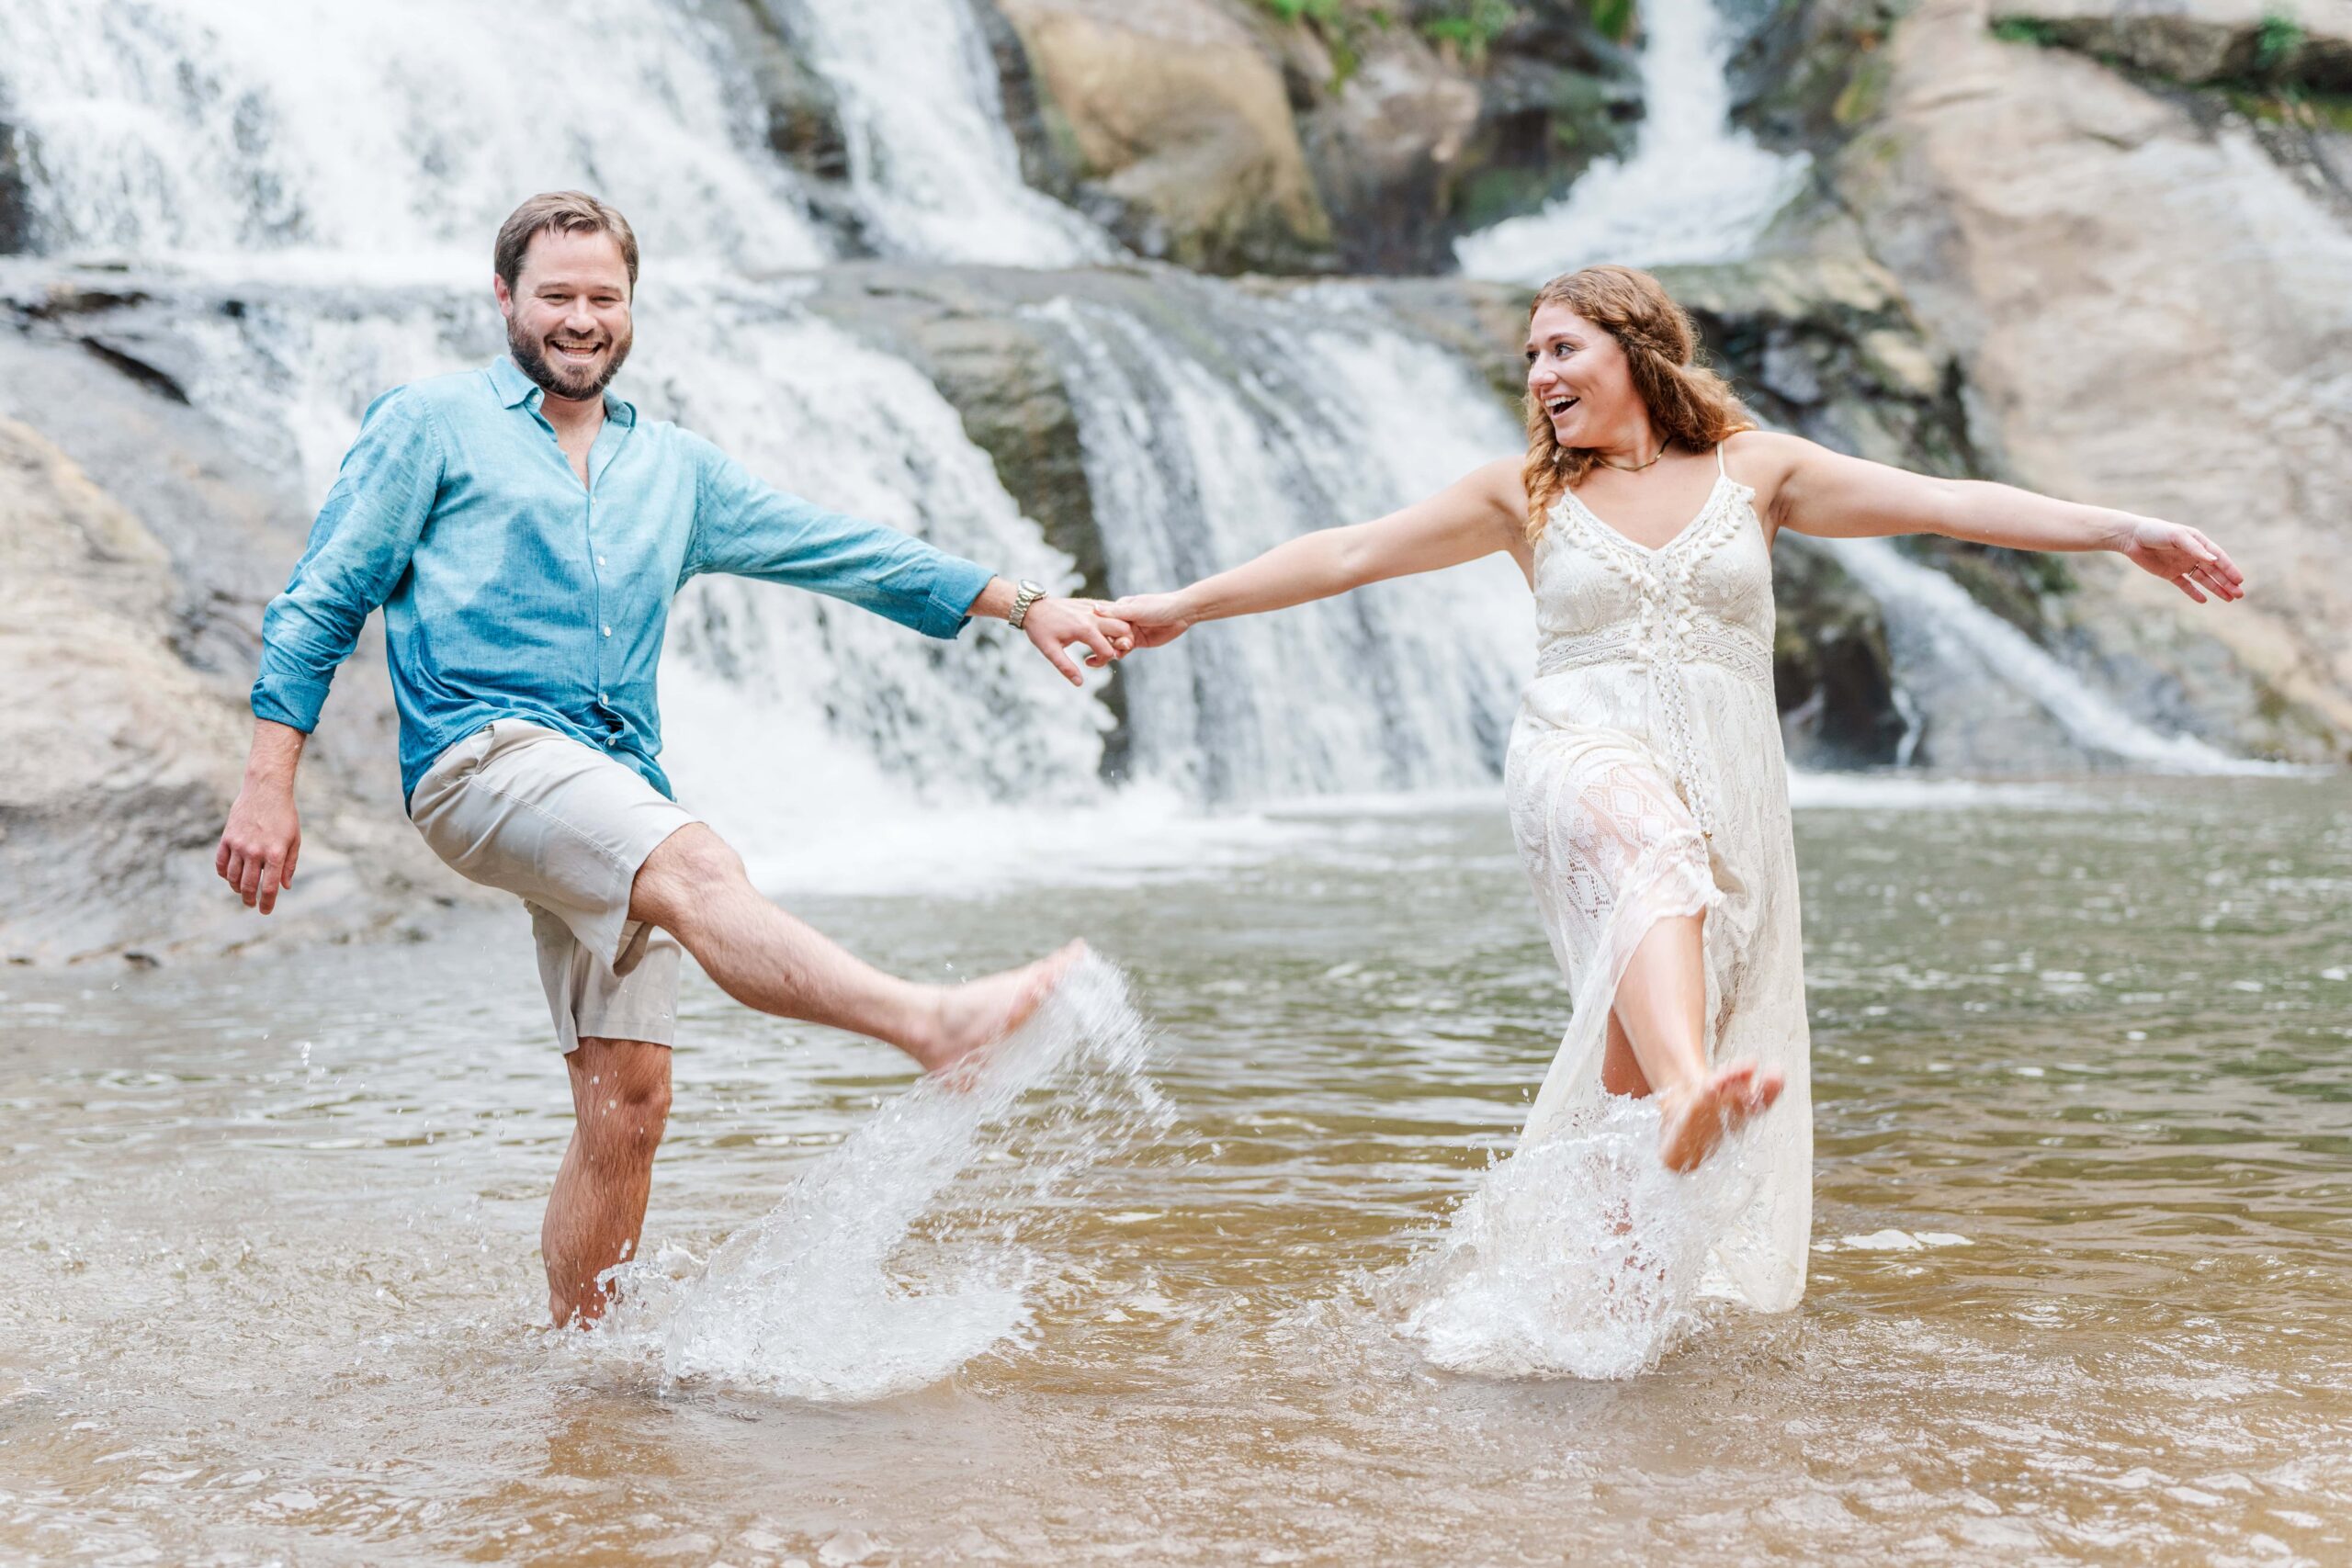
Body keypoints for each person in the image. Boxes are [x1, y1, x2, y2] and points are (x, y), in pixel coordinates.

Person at [1111, 264, 2243, 1311]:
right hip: (1577, 752)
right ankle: (1688, 1088)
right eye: (1531, 357)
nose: (1540, 375)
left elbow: (1944, 503)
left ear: (1638, 349)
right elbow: (1347, 553)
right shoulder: (1520, 495)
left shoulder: (1760, 473)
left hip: (1727, 787)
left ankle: (1602, 1313)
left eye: (1562, 349)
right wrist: (1179, 607)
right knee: (1656, 865)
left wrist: (2120, 530)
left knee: (1639, 1033)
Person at [212, 190, 1134, 1325]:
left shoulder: (676, 470)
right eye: (556, 295)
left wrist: (1021, 602)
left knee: (629, 1107)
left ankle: (580, 1368)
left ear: (630, 306)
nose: (581, 319)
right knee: (698, 866)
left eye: (603, 297)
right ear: (504, 297)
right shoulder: (431, 424)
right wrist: (267, 786)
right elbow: (320, 601)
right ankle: (928, 1026)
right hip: (479, 758)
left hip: (613, 786)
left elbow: (839, 549)